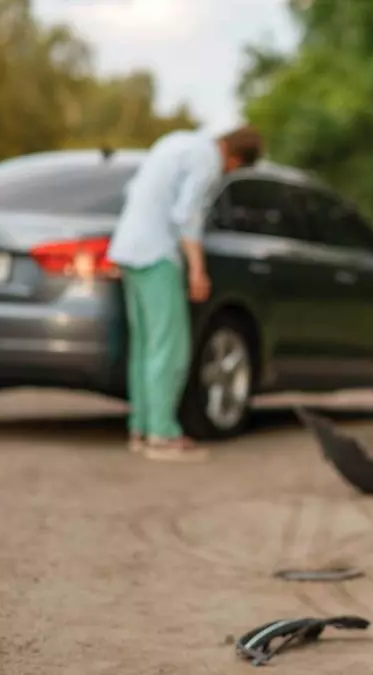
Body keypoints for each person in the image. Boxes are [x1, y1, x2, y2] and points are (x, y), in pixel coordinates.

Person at [108, 126, 263, 461]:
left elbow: (133, 189)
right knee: (170, 348)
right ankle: (162, 434)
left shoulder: (175, 141)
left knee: (145, 347)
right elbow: (187, 216)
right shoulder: (207, 161)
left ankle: (141, 428)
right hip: (157, 254)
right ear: (235, 158)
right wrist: (197, 269)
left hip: (128, 249)